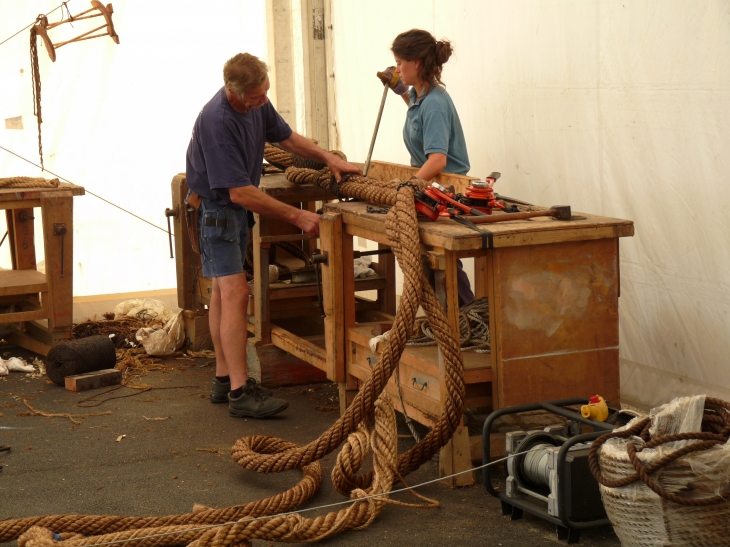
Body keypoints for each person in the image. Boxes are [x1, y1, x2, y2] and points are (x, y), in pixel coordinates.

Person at [186, 53, 361, 419]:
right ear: (234, 91)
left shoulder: (257, 103)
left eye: (266, 94)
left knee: (222, 292)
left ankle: (223, 379)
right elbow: (239, 192)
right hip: (218, 212)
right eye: (256, 97)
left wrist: (329, 158)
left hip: (230, 212)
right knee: (235, 294)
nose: (263, 102)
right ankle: (240, 391)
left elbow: (286, 138)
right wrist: (297, 215)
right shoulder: (217, 122)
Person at [378, 29, 474, 306]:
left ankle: (463, 311)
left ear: (416, 63)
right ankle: (450, 314)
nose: (397, 68)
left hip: (443, 190)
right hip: (429, 187)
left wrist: (408, 185)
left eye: (400, 63)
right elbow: (419, 115)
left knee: (439, 261)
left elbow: (438, 160)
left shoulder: (434, 103)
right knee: (424, 259)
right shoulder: (420, 96)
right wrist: (400, 92)